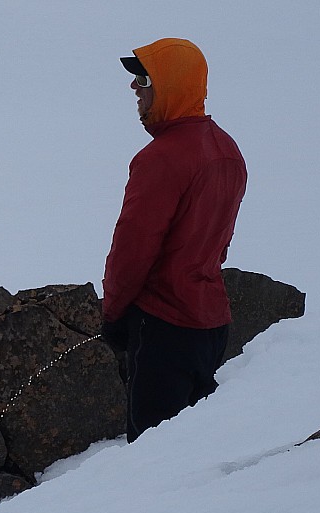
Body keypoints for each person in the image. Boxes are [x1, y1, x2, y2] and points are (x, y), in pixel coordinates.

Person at [101, 38, 247, 442]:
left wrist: (113, 313)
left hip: (164, 327)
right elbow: (216, 243)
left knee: (151, 455)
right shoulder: (227, 151)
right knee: (196, 449)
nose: (135, 88)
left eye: (144, 79)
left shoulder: (161, 158)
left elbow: (133, 248)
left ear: (171, 86)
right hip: (212, 324)